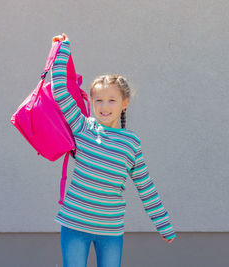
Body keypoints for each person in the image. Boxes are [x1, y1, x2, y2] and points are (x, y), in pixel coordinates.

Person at [51, 33, 176, 267]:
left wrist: (163, 224)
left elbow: (146, 187)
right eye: (98, 100)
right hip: (74, 225)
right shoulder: (82, 126)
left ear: (124, 103)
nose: (104, 106)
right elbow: (58, 89)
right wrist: (62, 48)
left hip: (110, 230)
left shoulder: (131, 143)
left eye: (111, 100)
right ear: (91, 101)